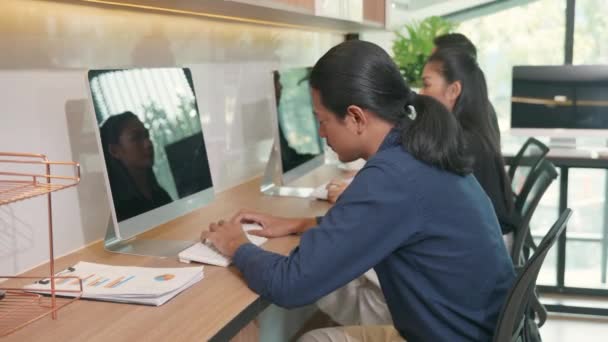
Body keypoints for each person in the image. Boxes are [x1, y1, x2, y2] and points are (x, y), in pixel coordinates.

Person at [201, 40, 515, 341]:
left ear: (355, 117)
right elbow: (381, 219)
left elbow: (290, 285)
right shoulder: (416, 148)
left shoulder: (391, 176)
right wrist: (298, 224)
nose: (321, 133)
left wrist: (237, 245)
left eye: (322, 120)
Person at [420, 48, 519, 250]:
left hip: (486, 247)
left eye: (426, 84)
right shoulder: (470, 133)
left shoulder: (464, 143)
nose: (421, 93)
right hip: (488, 238)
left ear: (454, 90)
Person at [100, 111, 172, 221]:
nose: (148, 143)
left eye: (147, 135)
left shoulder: (160, 195)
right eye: (136, 138)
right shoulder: (116, 212)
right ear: (114, 151)